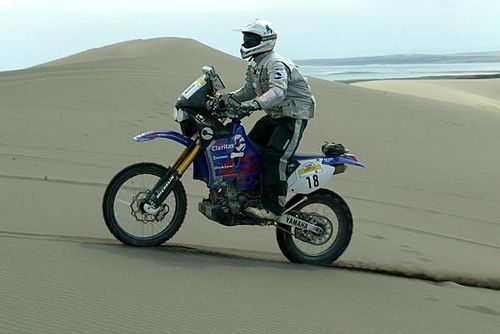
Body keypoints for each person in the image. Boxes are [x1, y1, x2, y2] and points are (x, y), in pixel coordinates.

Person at [226, 19, 316, 221]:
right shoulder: (256, 64)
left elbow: (278, 91)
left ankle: (273, 208)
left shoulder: (276, 63)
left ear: (265, 40)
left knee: (274, 155)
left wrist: (254, 104)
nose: (246, 41)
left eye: (251, 38)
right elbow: (248, 90)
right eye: (246, 37)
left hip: (293, 117)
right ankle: (251, 195)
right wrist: (226, 99)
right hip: (275, 116)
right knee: (248, 149)